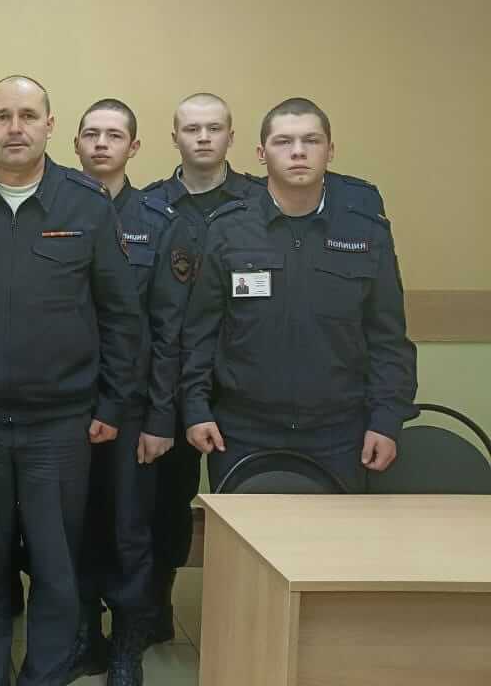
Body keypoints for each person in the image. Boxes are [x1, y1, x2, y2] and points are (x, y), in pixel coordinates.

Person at [0, 76, 141, 686]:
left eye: (27, 116)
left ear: (50, 126)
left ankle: (45, 676)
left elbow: (121, 316)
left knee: (56, 567)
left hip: (61, 423)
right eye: (2, 116)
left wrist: (113, 403)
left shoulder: (86, 204)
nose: (15, 128)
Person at [180, 97, 418, 493]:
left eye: (311, 140)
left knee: (335, 536)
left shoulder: (366, 232)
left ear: (330, 150)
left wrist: (387, 419)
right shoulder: (227, 229)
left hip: (340, 435)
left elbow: (388, 339)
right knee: (244, 534)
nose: (298, 152)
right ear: (261, 154)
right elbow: (201, 332)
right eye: (283, 141)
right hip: (242, 432)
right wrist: (195, 408)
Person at [140, 91, 265, 643]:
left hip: (239, 380)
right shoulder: (149, 206)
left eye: (215, 128)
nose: (204, 138)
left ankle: (251, 619)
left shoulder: (261, 204)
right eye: (192, 129)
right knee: (166, 502)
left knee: (251, 502)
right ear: (175, 138)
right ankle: (156, 606)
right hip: (168, 381)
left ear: (232, 136)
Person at [73, 99, 180, 686]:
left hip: (134, 409)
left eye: (114, 135)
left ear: (133, 147)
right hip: (66, 403)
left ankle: (126, 647)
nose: (101, 144)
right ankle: (85, 637)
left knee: (129, 530)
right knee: (72, 527)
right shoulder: (58, 210)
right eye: (91, 134)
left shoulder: (158, 221)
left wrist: (161, 417)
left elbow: (168, 331)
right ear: (75, 144)